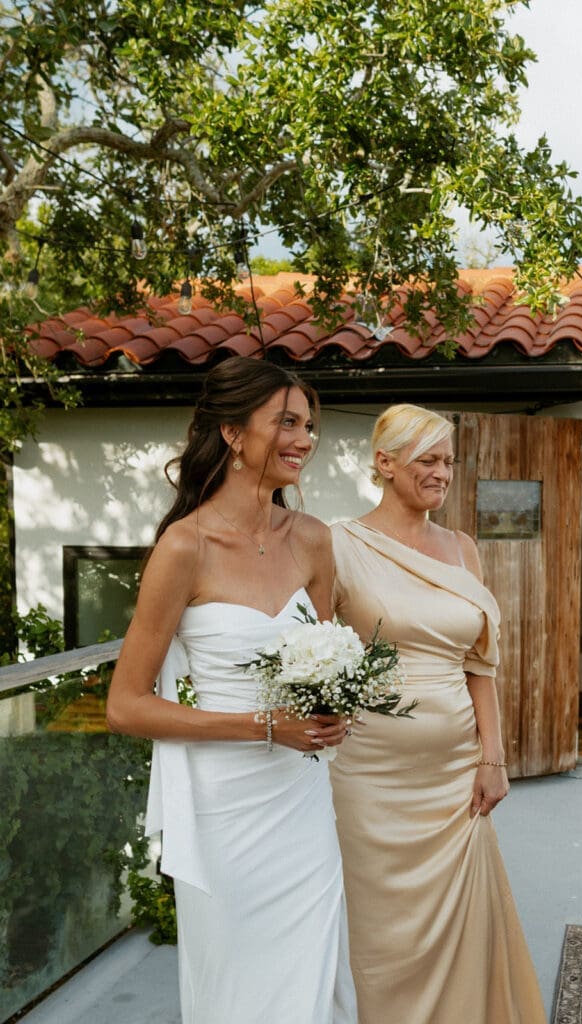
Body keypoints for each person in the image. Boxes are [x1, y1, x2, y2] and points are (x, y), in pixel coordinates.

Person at [106, 357, 357, 1024]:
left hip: (300, 805)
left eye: (309, 425)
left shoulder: (312, 540)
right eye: (286, 422)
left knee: (312, 981)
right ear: (233, 433)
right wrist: (263, 727)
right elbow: (125, 705)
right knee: (239, 991)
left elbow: (325, 670)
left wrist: (335, 714)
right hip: (225, 813)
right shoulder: (183, 548)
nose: (303, 438)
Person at [329, 403, 546, 1024]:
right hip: (368, 775)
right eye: (428, 459)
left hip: (455, 777)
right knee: (381, 927)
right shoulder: (340, 544)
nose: (442, 473)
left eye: (448, 461)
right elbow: (313, 652)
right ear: (385, 462)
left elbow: (481, 665)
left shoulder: (462, 549)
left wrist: (492, 757)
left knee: (463, 924)